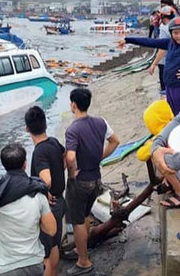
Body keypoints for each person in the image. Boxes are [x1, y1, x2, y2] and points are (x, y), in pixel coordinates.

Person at [0, 144, 56, 276]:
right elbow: (51, 230)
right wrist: (37, 221)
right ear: (25, 164)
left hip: (6, 265)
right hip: (33, 261)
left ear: (3, 165)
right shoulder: (37, 193)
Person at [65, 88, 120, 276]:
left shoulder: (73, 129)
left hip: (80, 181)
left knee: (78, 221)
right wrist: (99, 157)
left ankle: (83, 261)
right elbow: (115, 141)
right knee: (86, 214)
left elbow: (71, 157)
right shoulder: (100, 122)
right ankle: (82, 249)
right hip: (96, 178)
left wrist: (72, 173)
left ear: (74, 104)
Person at [25, 106, 66, 276]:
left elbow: (46, 180)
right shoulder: (54, 142)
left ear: (27, 128)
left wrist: (45, 192)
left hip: (49, 206)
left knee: (45, 252)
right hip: (60, 201)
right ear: (45, 124)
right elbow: (65, 156)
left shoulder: (39, 152)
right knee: (54, 244)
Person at [126, 17, 180, 115]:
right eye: (175, 33)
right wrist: (127, 40)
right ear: (171, 34)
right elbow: (149, 42)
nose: (179, 36)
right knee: (172, 113)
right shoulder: (169, 43)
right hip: (169, 86)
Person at [149, 6, 176, 95]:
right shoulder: (178, 26)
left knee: (165, 89)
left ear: (163, 17)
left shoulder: (164, 29)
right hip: (176, 61)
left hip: (165, 62)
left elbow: (162, 49)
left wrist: (154, 63)